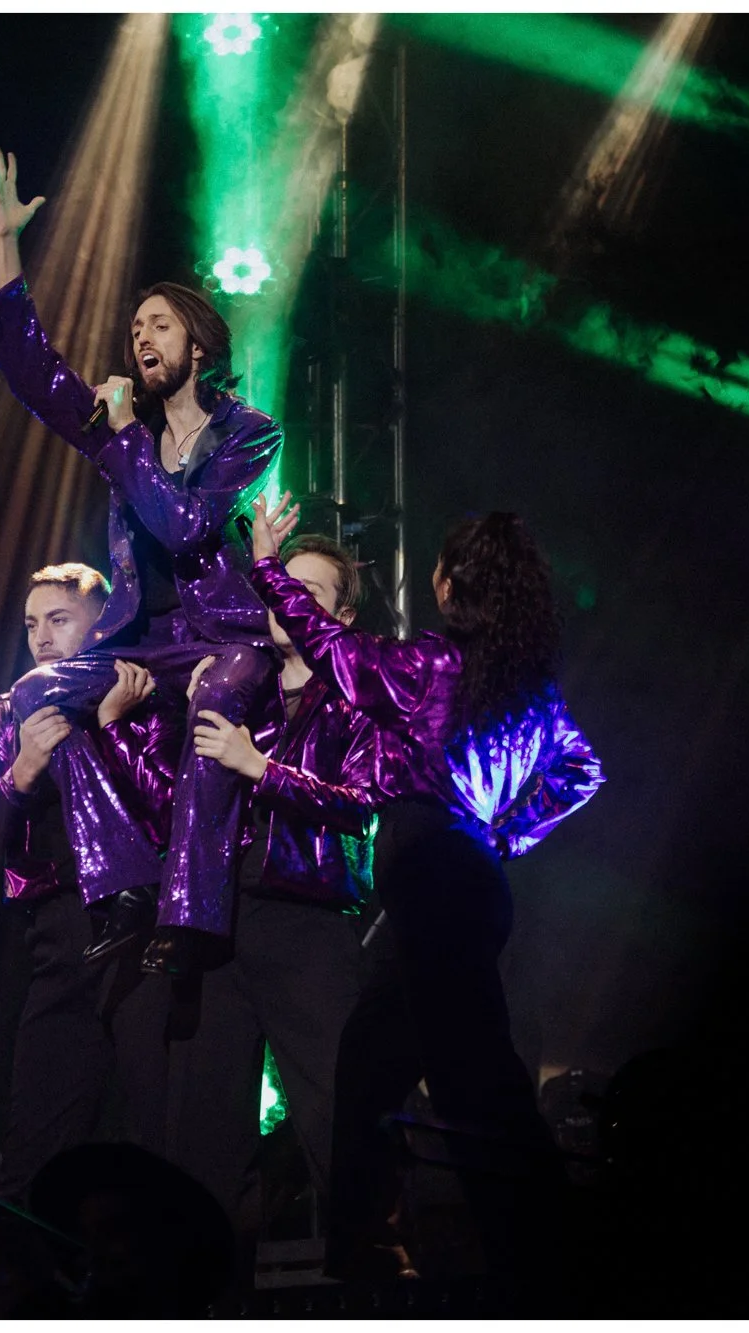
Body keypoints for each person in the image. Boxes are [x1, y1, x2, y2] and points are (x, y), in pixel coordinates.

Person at [245, 497, 605, 1286]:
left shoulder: (429, 668)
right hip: (457, 880)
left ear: (447, 585)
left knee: (475, 1081)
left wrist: (269, 566)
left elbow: (331, 647)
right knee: (368, 1059)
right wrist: (503, 835)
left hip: (437, 877)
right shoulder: (525, 686)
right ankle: (364, 1252)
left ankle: (547, 1265)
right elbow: (582, 770)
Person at [0, 146, 282, 976]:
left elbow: (184, 527)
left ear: (198, 344)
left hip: (224, 636)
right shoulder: (127, 429)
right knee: (37, 691)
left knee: (216, 706)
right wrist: (6, 247)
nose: (141, 335)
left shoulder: (247, 432)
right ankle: (124, 883)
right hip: (142, 639)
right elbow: (35, 375)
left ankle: (190, 918)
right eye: (135, 326)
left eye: (159, 324)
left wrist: (120, 438)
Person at [109, 533, 382, 1253]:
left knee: (336, 1108)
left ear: (341, 617)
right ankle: (203, 1287)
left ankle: (375, 1264)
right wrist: (150, 720)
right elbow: (166, 806)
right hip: (221, 921)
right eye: (278, 588)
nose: (285, 603)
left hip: (308, 921)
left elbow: (362, 805)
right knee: (201, 1126)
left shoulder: (358, 694)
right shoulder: (237, 684)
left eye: (308, 593)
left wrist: (261, 768)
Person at [0, 563, 173, 1200]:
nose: (42, 637)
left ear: (103, 624)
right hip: (58, 933)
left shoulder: (143, 692)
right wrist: (21, 773)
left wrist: (113, 726)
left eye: (58, 620)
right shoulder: (6, 714)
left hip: (145, 929)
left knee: (155, 1127)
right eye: (32, 624)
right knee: (39, 1135)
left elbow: (170, 813)